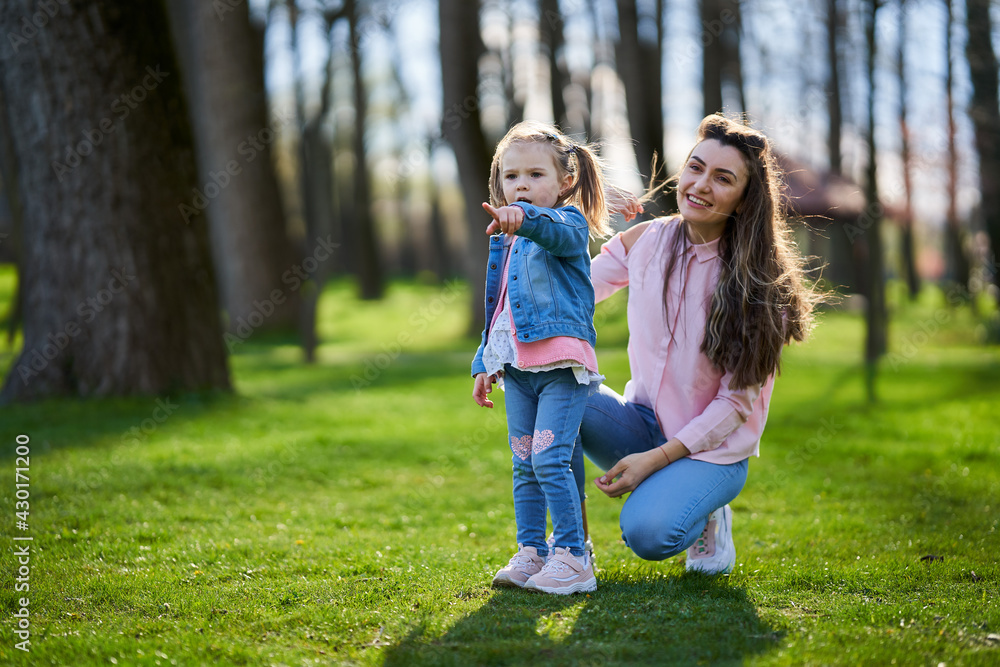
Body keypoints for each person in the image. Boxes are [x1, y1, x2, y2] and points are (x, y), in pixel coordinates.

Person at [576, 114, 821, 575]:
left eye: (723, 178)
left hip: (713, 450)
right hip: (643, 423)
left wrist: (655, 461)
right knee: (556, 393)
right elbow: (570, 294)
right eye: (696, 167)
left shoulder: (761, 286)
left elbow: (735, 405)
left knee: (648, 533)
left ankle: (707, 507)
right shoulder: (646, 240)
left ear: (745, 200)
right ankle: (570, 549)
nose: (701, 185)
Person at [471, 120, 613, 595]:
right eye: (512, 177)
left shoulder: (568, 224)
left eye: (535, 175)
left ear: (564, 182)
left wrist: (526, 218)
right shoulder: (504, 240)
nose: (522, 186)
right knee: (524, 462)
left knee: (550, 459)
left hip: (560, 368)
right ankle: (532, 550)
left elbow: (554, 234)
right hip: (517, 370)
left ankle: (574, 556)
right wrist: (483, 362)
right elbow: (498, 307)